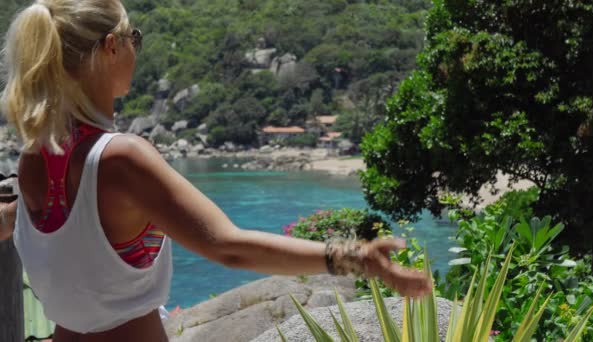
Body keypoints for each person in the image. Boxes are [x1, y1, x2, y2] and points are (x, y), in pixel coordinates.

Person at [0, 1, 432, 341]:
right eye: (135, 37)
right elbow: (227, 247)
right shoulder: (121, 159)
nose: (136, 48)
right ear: (112, 46)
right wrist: (353, 257)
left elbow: (62, 239)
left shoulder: (35, 158)